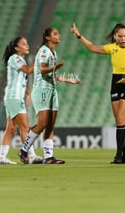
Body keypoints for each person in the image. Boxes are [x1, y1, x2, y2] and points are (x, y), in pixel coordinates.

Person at [70, 23, 125, 164]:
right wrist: (78, 35)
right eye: (120, 36)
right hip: (116, 82)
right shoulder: (113, 48)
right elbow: (92, 47)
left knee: (120, 118)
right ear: (115, 36)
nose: (123, 38)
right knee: (120, 121)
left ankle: (119, 155)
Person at [19, 28, 80, 164]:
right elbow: (42, 69)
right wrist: (56, 67)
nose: (59, 35)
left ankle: (49, 157)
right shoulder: (44, 51)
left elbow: (50, 74)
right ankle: (24, 150)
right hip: (41, 90)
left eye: (58, 33)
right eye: (55, 34)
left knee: (50, 124)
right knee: (42, 123)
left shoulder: (53, 52)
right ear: (47, 38)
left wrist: (67, 80)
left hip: (52, 90)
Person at [0, 37, 43, 165]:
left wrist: (27, 93)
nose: (27, 45)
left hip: (14, 97)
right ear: (16, 48)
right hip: (14, 97)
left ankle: (1, 158)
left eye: (27, 43)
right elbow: (28, 70)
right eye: (23, 44)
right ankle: (32, 156)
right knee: (25, 127)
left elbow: (20, 80)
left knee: (11, 129)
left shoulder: (20, 60)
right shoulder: (15, 58)